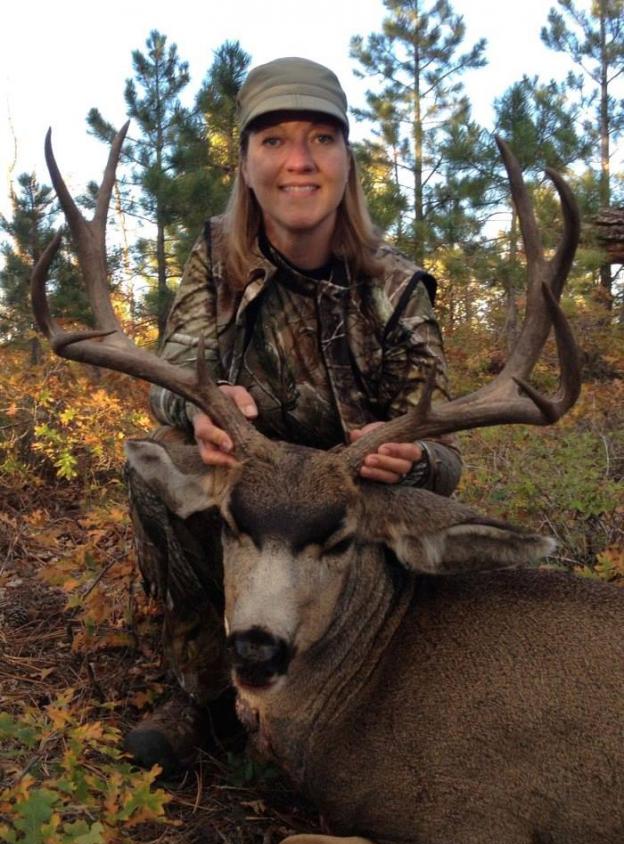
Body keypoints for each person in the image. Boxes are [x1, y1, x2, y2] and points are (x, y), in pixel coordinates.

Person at [123, 56, 462, 775]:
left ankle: (353, 693)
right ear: (245, 165)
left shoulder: (395, 286)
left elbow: (445, 455)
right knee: (156, 461)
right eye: (273, 141)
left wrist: (413, 457)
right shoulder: (216, 260)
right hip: (254, 496)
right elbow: (168, 378)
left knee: (425, 510)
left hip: (345, 521)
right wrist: (201, 405)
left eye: (321, 139)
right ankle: (207, 694)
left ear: (346, 161)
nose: (298, 162)